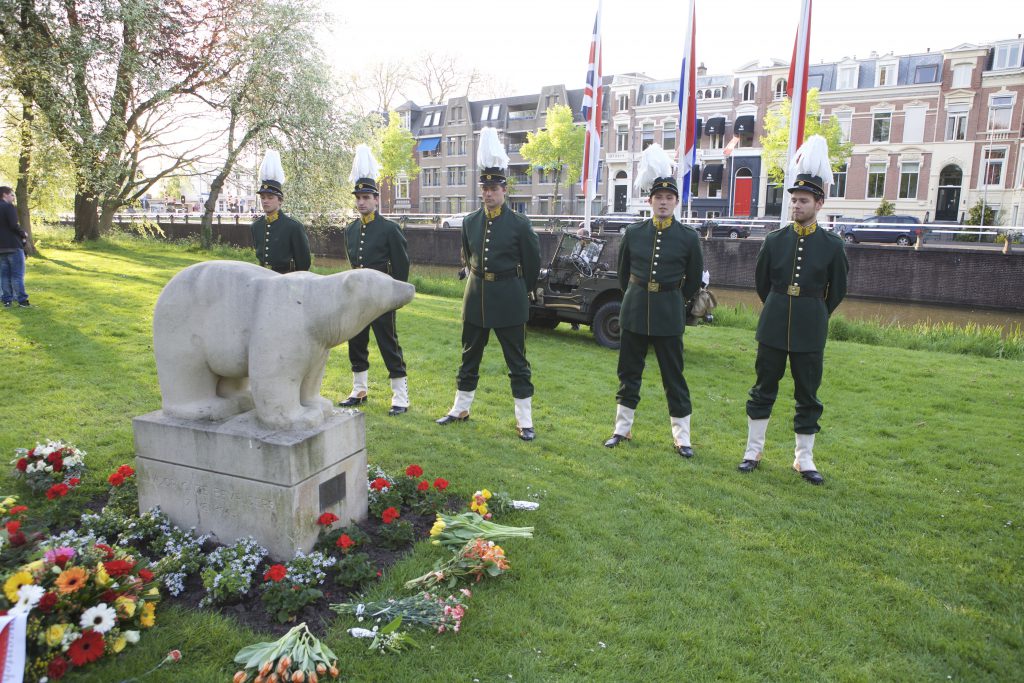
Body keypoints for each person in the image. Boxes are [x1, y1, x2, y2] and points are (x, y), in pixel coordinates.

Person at [738, 135, 848, 485]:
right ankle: (753, 451)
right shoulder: (775, 240)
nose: (796, 206)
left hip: (810, 327)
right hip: (773, 324)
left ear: (819, 202)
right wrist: (778, 305)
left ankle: (804, 459)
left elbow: (838, 290)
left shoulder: (832, 245)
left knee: (808, 394)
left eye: (803, 201)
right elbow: (762, 283)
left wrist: (814, 313)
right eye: (793, 201)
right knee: (762, 387)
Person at [436, 127, 541, 441]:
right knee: (469, 355)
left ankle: (524, 421)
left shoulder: (520, 225)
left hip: (509, 298)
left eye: (495, 188)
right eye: (485, 188)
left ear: (504, 190)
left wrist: (521, 291)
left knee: (517, 361)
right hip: (476, 296)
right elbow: (468, 258)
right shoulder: (470, 222)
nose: (489, 193)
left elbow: (532, 264)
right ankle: (460, 408)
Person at [603, 144, 704, 458]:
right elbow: (623, 275)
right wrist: (637, 295)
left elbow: (693, 279)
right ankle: (622, 429)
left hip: (668, 313)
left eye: (669, 198)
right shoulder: (634, 233)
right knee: (628, 372)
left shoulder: (688, 237)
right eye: (658, 198)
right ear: (650, 200)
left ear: (676, 201)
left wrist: (673, 299)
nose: (663, 202)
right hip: (634, 310)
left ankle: (682, 438)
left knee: (673, 375)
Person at [337, 145, 411, 416]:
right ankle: (359, 390)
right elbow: (353, 262)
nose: (361, 202)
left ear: (376, 199)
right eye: (358, 198)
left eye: (366, 197)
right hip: (357, 298)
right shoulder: (351, 229)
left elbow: (401, 267)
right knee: (356, 342)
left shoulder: (390, 229)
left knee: (388, 344)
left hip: (381, 297)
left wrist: (393, 296)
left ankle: (400, 397)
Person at [250, 150, 311, 273]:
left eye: (270, 197)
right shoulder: (256, 226)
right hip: (262, 278)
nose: (265, 201)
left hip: (286, 280)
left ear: (280, 200)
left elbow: (304, 263)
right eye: (263, 197)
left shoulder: (293, 226)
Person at [0, 186, 30, 308]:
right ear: (4, 195)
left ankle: (7, 300)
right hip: (13, 245)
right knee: (17, 275)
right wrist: (23, 233)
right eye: (11, 195)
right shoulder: (8, 207)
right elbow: (13, 225)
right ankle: (22, 300)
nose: (13, 197)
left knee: (4, 275)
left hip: (1, 248)